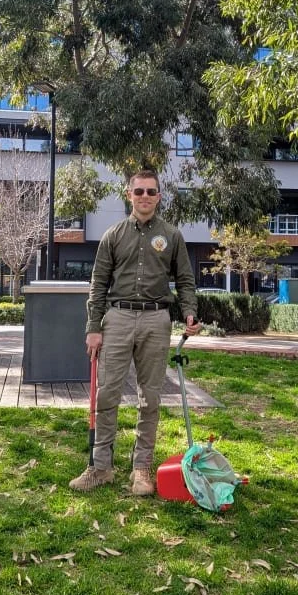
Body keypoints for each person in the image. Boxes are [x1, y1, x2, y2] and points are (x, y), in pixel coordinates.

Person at [69, 169, 201, 495]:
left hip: (157, 321)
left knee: (150, 397)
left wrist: (189, 312)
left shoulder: (172, 236)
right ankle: (100, 467)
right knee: (107, 393)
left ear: (159, 196)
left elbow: (185, 280)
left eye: (151, 192)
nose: (145, 197)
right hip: (117, 319)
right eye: (139, 191)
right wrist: (93, 328)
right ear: (129, 195)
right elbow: (98, 285)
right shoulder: (113, 235)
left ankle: (141, 469)